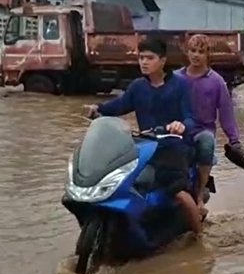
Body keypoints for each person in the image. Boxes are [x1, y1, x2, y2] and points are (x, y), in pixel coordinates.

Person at [84, 38, 202, 235]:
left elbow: (191, 117)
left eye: (150, 58)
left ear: (163, 61)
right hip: (145, 147)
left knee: (179, 193)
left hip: (173, 147)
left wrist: (180, 125)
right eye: (141, 58)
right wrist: (98, 109)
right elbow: (119, 105)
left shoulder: (179, 86)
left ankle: (199, 236)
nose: (144, 62)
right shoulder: (138, 86)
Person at [176, 34, 244, 219]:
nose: (196, 55)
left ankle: (199, 196)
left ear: (207, 55)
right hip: (177, 130)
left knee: (206, 142)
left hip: (202, 132)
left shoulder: (216, 82)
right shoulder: (175, 78)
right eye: (193, 51)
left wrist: (234, 140)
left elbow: (226, 114)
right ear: (187, 53)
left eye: (201, 51)